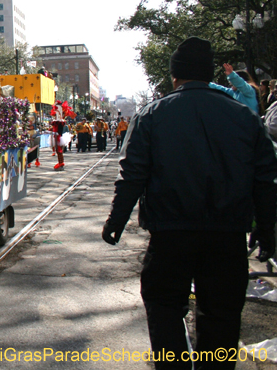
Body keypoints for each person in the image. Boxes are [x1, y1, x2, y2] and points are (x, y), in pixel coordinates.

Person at [102, 36, 277, 369]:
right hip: (227, 236)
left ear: (175, 76)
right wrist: (266, 228)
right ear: (209, 75)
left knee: (164, 308)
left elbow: (132, 175)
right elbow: (265, 179)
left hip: (170, 236)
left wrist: (116, 220)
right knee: (222, 314)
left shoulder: (152, 115)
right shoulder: (244, 116)